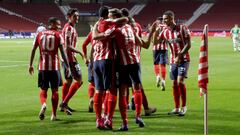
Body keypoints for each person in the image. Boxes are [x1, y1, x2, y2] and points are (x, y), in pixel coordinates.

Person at [29, 17, 70, 121]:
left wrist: (30, 65)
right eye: (58, 24)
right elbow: (63, 52)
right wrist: (67, 66)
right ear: (51, 24)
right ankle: (54, 115)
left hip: (42, 67)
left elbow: (33, 49)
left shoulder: (39, 34)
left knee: (43, 89)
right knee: (55, 91)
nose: (59, 27)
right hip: (54, 68)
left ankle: (43, 104)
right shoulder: (57, 35)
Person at [153, 10, 191, 116]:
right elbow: (155, 42)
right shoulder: (165, 31)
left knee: (180, 82)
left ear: (172, 18)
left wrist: (180, 55)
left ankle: (184, 107)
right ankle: (176, 108)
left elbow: (188, 44)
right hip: (173, 61)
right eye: (164, 19)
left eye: (166, 18)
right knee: (174, 84)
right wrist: (155, 32)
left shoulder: (182, 28)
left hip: (183, 59)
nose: (164, 21)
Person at [121, 8, 157, 116]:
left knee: (123, 86)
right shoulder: (136, 26)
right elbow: (144, 44)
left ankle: (125, 108)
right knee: (137, 85)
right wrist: (151, 32)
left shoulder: (118, 28)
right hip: (134, 59)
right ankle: (144, 109)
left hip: (122, 61)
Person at [60, 8, 84, 115]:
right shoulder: (69, 28)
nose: (77, 18)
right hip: (69, 58)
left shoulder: (70, 28)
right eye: (75, 16)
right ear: (69, 17)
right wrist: (80, 52)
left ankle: (63, 104)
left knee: (69, 81)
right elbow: (68, 46)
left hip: (68, 58)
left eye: (78, 16)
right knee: (79, 80)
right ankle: (64, 103)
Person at [152, 17, 168, 90]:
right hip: (164, 48)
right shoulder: (166, 27)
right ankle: (163, 81)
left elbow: (153, 40)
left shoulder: (155, 27)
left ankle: (158, 76)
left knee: (156, 63)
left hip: (155, 48)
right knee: (163, 64)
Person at [81, 31, 95, 112]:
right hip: (105, 60)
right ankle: (104, 104)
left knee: (92, 83)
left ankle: (91, 98)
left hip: (92, 60)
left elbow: (84, 45)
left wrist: (85, 58)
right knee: (104, 85)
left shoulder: (92, 33)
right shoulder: (107, 31)